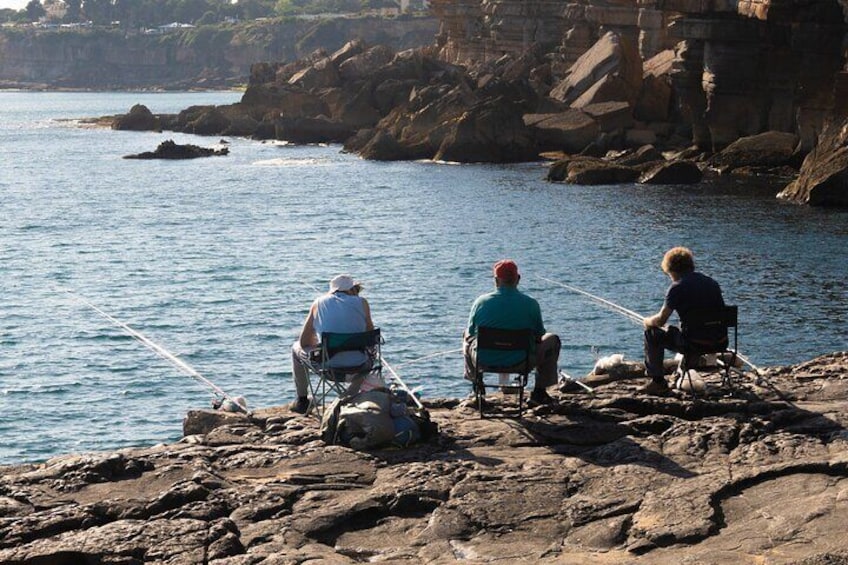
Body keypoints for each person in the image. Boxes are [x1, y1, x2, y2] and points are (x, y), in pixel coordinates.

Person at [463, 259, 561, 406]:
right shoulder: (531, 304)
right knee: (552, 339)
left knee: (465, 335)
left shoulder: (480, 302)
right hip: (521, 363)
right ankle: (539, 393)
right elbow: (539, 335)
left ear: (496, 280)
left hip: (484, 361)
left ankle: (477, 388)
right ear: (518, 279)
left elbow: (471, 332)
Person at [641, 247, 726, 395]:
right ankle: (681, 373)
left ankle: (657, 382)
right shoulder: (711, 283)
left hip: (694, 343)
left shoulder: (677, 287)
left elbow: (661, 320)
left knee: (652, 333)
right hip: (720, 340)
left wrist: (648, 320)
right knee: (694, 331)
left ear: (672, 269)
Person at [289, 274, 374, 414]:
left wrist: (317, 342)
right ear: (352, 289)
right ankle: (348, 397)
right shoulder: (363, 302)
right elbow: (370, 336)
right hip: (360, 367)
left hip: (330, 368)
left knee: (295, 347)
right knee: (370, 354)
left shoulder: (318, 302)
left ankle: (302, 400)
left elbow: (304, 342)